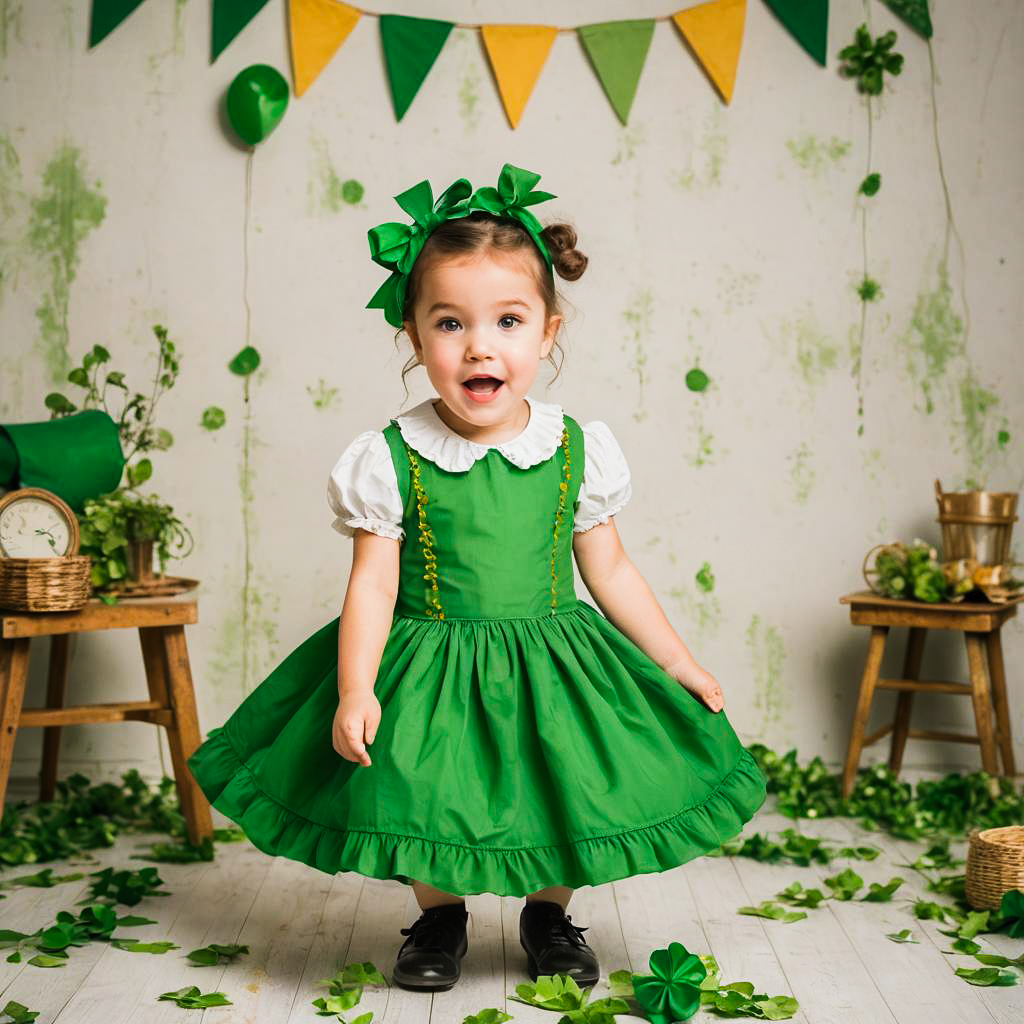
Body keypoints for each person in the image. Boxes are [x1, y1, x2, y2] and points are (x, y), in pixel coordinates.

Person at [186, 163, 767, 995]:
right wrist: (355, 687)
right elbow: (372, 587)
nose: (479, 345)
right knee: (424, 784)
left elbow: (609, 566)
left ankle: (549, 915)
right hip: (431, 656)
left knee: (563, 779)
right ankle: (438, 916)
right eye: (450, 323)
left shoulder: (574, 449)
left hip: (553, 655)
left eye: (508, 321)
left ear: (548, 334)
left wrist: (675, 661)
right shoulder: (390, 458)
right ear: (416, 338)